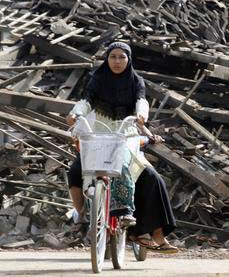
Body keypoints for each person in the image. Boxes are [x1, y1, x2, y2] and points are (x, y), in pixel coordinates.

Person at [66, 42, 178, 253]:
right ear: (107, 59)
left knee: (151, 177)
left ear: (129, 60)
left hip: (125, 134)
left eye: (121, 57)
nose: (117, 61)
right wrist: (75, 113)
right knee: (75, 170)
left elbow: (141, 101)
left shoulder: (137, 82)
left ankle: (154, 233)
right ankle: (81, 213)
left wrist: (142, 115)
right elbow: (85, 101)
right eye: (113, 57)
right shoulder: (97, 79)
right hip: (98, 135)